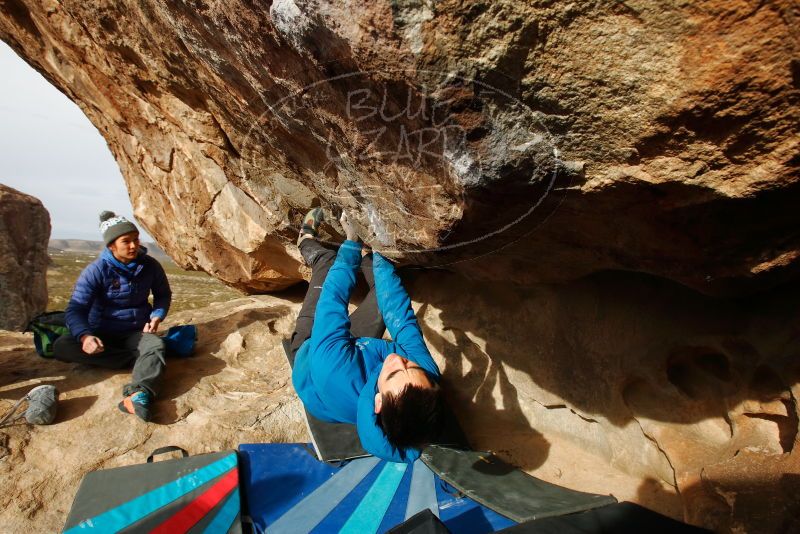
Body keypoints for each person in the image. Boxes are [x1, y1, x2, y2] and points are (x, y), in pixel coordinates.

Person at [290, 208, 444, 462]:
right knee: (384, 290)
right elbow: (398, 314)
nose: (397, 359)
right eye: (409, 364)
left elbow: (333, 299)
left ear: (378, 403)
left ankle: (305, 239)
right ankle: (369, 253)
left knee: (329, 263)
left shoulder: (333, 368)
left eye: (394, 372)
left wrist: (351, 242)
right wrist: (380, 250)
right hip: (359, 350)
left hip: (312, 356)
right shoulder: (423, 376)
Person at [53, 211, 172, 422]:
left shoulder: (150, 266)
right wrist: (85, 336)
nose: (134, 246)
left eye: (136, 240)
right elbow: (76, 309)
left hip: (135, 331)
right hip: (101, 332)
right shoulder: (96, 270)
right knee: (62, 346)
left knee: (154, 345)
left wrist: (156, 316)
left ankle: (138, 394)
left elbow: (163, 294)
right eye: (126, 241)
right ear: (111, 246)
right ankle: (138, 359)